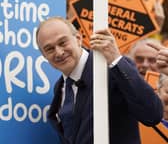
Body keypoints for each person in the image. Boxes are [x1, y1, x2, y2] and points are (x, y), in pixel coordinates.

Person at [36, 16, 163, 144]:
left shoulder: (113, 68)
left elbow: (152, 115)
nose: (58, 52)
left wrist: (116, 60)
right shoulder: (60, 87)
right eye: (49, 49)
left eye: (63, 42)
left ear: (78, 39)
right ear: (44, 56)